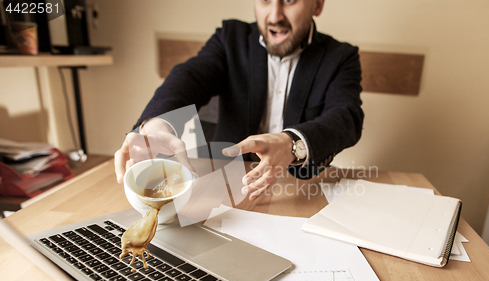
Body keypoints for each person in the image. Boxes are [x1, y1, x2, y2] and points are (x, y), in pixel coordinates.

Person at [115, 0, 364, 201]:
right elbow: (190, 76)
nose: (275, 15)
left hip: (299, 192)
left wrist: (291, 143)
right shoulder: (229, 38)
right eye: (265, 0)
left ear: (317, 5)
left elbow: (347, 116)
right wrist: (157, 124)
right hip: (226, 190)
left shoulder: (341, 57)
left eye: (289, 0)